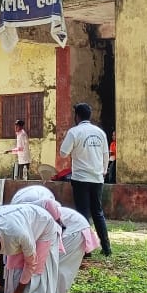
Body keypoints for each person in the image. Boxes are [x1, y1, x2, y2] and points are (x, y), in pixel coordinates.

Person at [7, 185, 100, 293]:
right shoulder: (17, 217)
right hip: (61, 227)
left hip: (73, 230)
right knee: (44, 269)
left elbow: (50, 206)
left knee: (57, 269)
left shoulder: (35, 209)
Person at [59, 103, 112, 256]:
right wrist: (103, 171)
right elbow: (105, 154)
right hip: (97, 178)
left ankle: (86, 250)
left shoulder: (74, 132)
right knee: (98, 212)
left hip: (80, 178)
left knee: (83, 214)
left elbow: (63, 153)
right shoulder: (100, 132)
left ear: (77, 116)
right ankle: (106, 247)